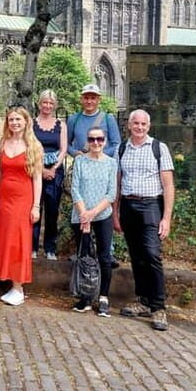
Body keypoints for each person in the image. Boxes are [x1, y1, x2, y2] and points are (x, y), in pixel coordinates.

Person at [112, 109, 174, 331]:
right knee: (137, 256)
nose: (139, 127)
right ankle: (143, 300)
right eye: (136, 123)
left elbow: (168, 185)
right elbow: (117, 182)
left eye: (143, 124)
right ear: (129, 125)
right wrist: (115, 212)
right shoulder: (122, 149)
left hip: (150, 205)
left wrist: (166, 218)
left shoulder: (158, 148)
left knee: (152, 254)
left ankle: (158, 307)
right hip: (129, 205)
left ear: (149, 126)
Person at [0, 107, 43, 306]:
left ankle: (19, 287)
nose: (14, 123)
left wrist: (36, 206)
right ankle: (10, 283)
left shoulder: (33, 146)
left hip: (23, 199)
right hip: (4, 199)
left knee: (19, 241)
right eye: (11, 119)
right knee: (6, 239)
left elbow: (37, 178)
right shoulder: (2, 143)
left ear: (26, 121)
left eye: (18, 119)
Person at [70, 127, 118, 316]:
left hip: (102, 215)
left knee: (104, 257)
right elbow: (75, 188)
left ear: (105, 141)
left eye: (99, 139)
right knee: (85, 257)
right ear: (87, 141)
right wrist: (84, 214)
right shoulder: (80, 161)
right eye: (92, 139)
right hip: (81, 216)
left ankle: (104, 297)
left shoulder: (111, 163)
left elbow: (111, 193)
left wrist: (93, 213)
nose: (96, 143)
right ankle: (86, 296)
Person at [32, 89, 67, 260]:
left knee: (52, 210)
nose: (47, 106)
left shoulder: (61, 125)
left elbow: (63, 149)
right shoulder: (31, 124)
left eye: (51, 103)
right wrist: (41, 170)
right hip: (35, 170)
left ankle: (50, 248)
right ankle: (32, 247)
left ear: (55, 105)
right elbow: (29, 148)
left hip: (55, 171)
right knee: (35, 207)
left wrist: (53, 168)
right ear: (39, 104)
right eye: (45, 102)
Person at [67, 84, 121, 158]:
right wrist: (74, 152)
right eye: (86, 98)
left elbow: (116, 145)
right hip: (81, 161)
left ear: (99, 100)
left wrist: (98, 155)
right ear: (81, 99)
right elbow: (66, 144)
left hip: (103, 162)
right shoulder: (74, 119)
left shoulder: (108, 119)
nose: (89, 101)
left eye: (93, 98)